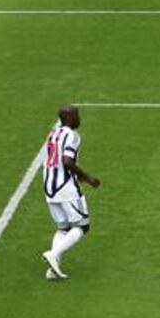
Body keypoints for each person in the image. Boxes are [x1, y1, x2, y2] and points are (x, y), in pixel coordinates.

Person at [41, 105, 102, 280]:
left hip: (49, 186)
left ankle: (53, 269)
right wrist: (88, 178)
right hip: (66, 188)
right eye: (77, 116)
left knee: (63, 228)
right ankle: (53, 254)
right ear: (69, 118)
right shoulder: (72, 135)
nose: (79, 119)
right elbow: (67, 161)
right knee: (82, 226)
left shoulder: (52, 134)